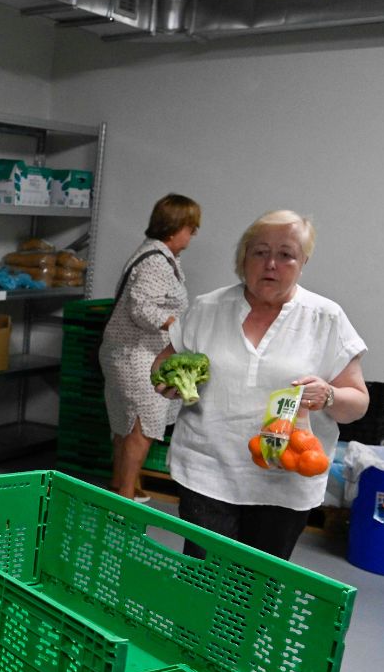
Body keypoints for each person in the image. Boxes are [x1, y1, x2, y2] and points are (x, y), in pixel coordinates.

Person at [153, 210, 369, 560]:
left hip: (285, 480)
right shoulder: (208, 308)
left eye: (286, 254)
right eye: (260, 252)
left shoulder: (326, 318)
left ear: (303, 262)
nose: (271, 263)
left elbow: (357, 402)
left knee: (260, 589)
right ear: (243, 258)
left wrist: (329, 395)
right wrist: (169, 382)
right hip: (208, 470)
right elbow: (164, 362)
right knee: (203, 580)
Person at [99, 193, 201, 503]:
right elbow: (141, 308)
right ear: (175, 227)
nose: (193, 234)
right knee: (141, 427)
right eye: (191, 227)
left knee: (127, 424)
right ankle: (126, 499)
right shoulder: (156, 261)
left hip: (130, 352)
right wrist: (177, 324)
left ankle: (120, 487)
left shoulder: (158, 255)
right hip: (136, 355)